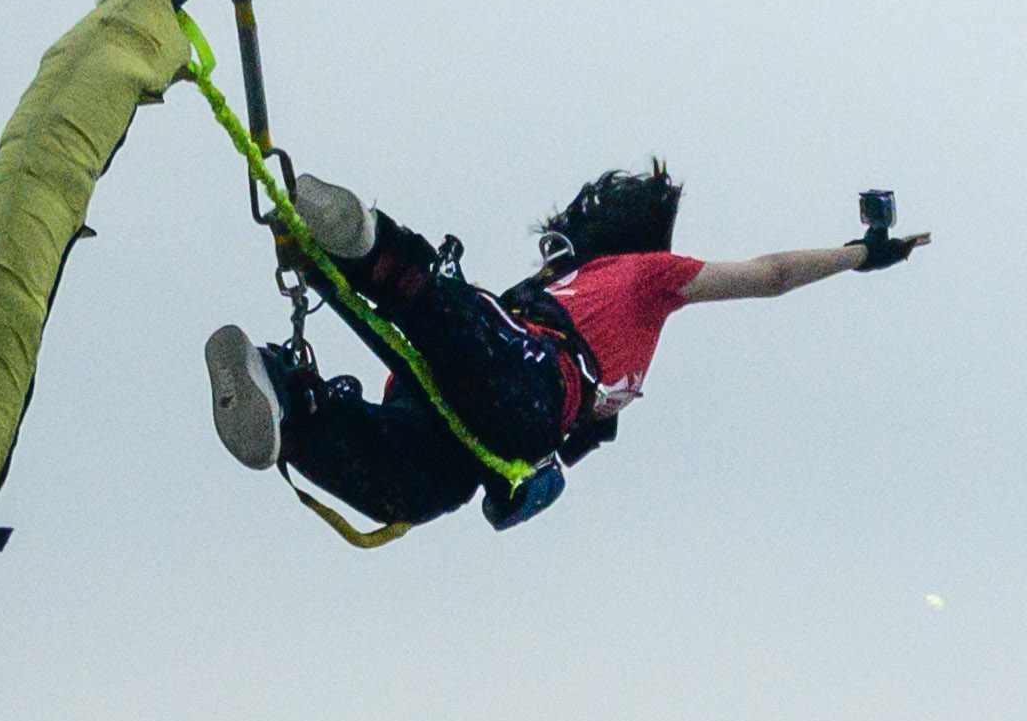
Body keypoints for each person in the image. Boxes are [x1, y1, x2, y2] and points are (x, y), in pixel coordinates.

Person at [206, 163, 923, 529]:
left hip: (473, 424)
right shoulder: (647, 274)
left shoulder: (551, 283)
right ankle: (376, 251)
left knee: (409, 493)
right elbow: (772, 276)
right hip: (532, 383)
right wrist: (862, 252)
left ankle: (288, 410)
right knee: (462, 335)